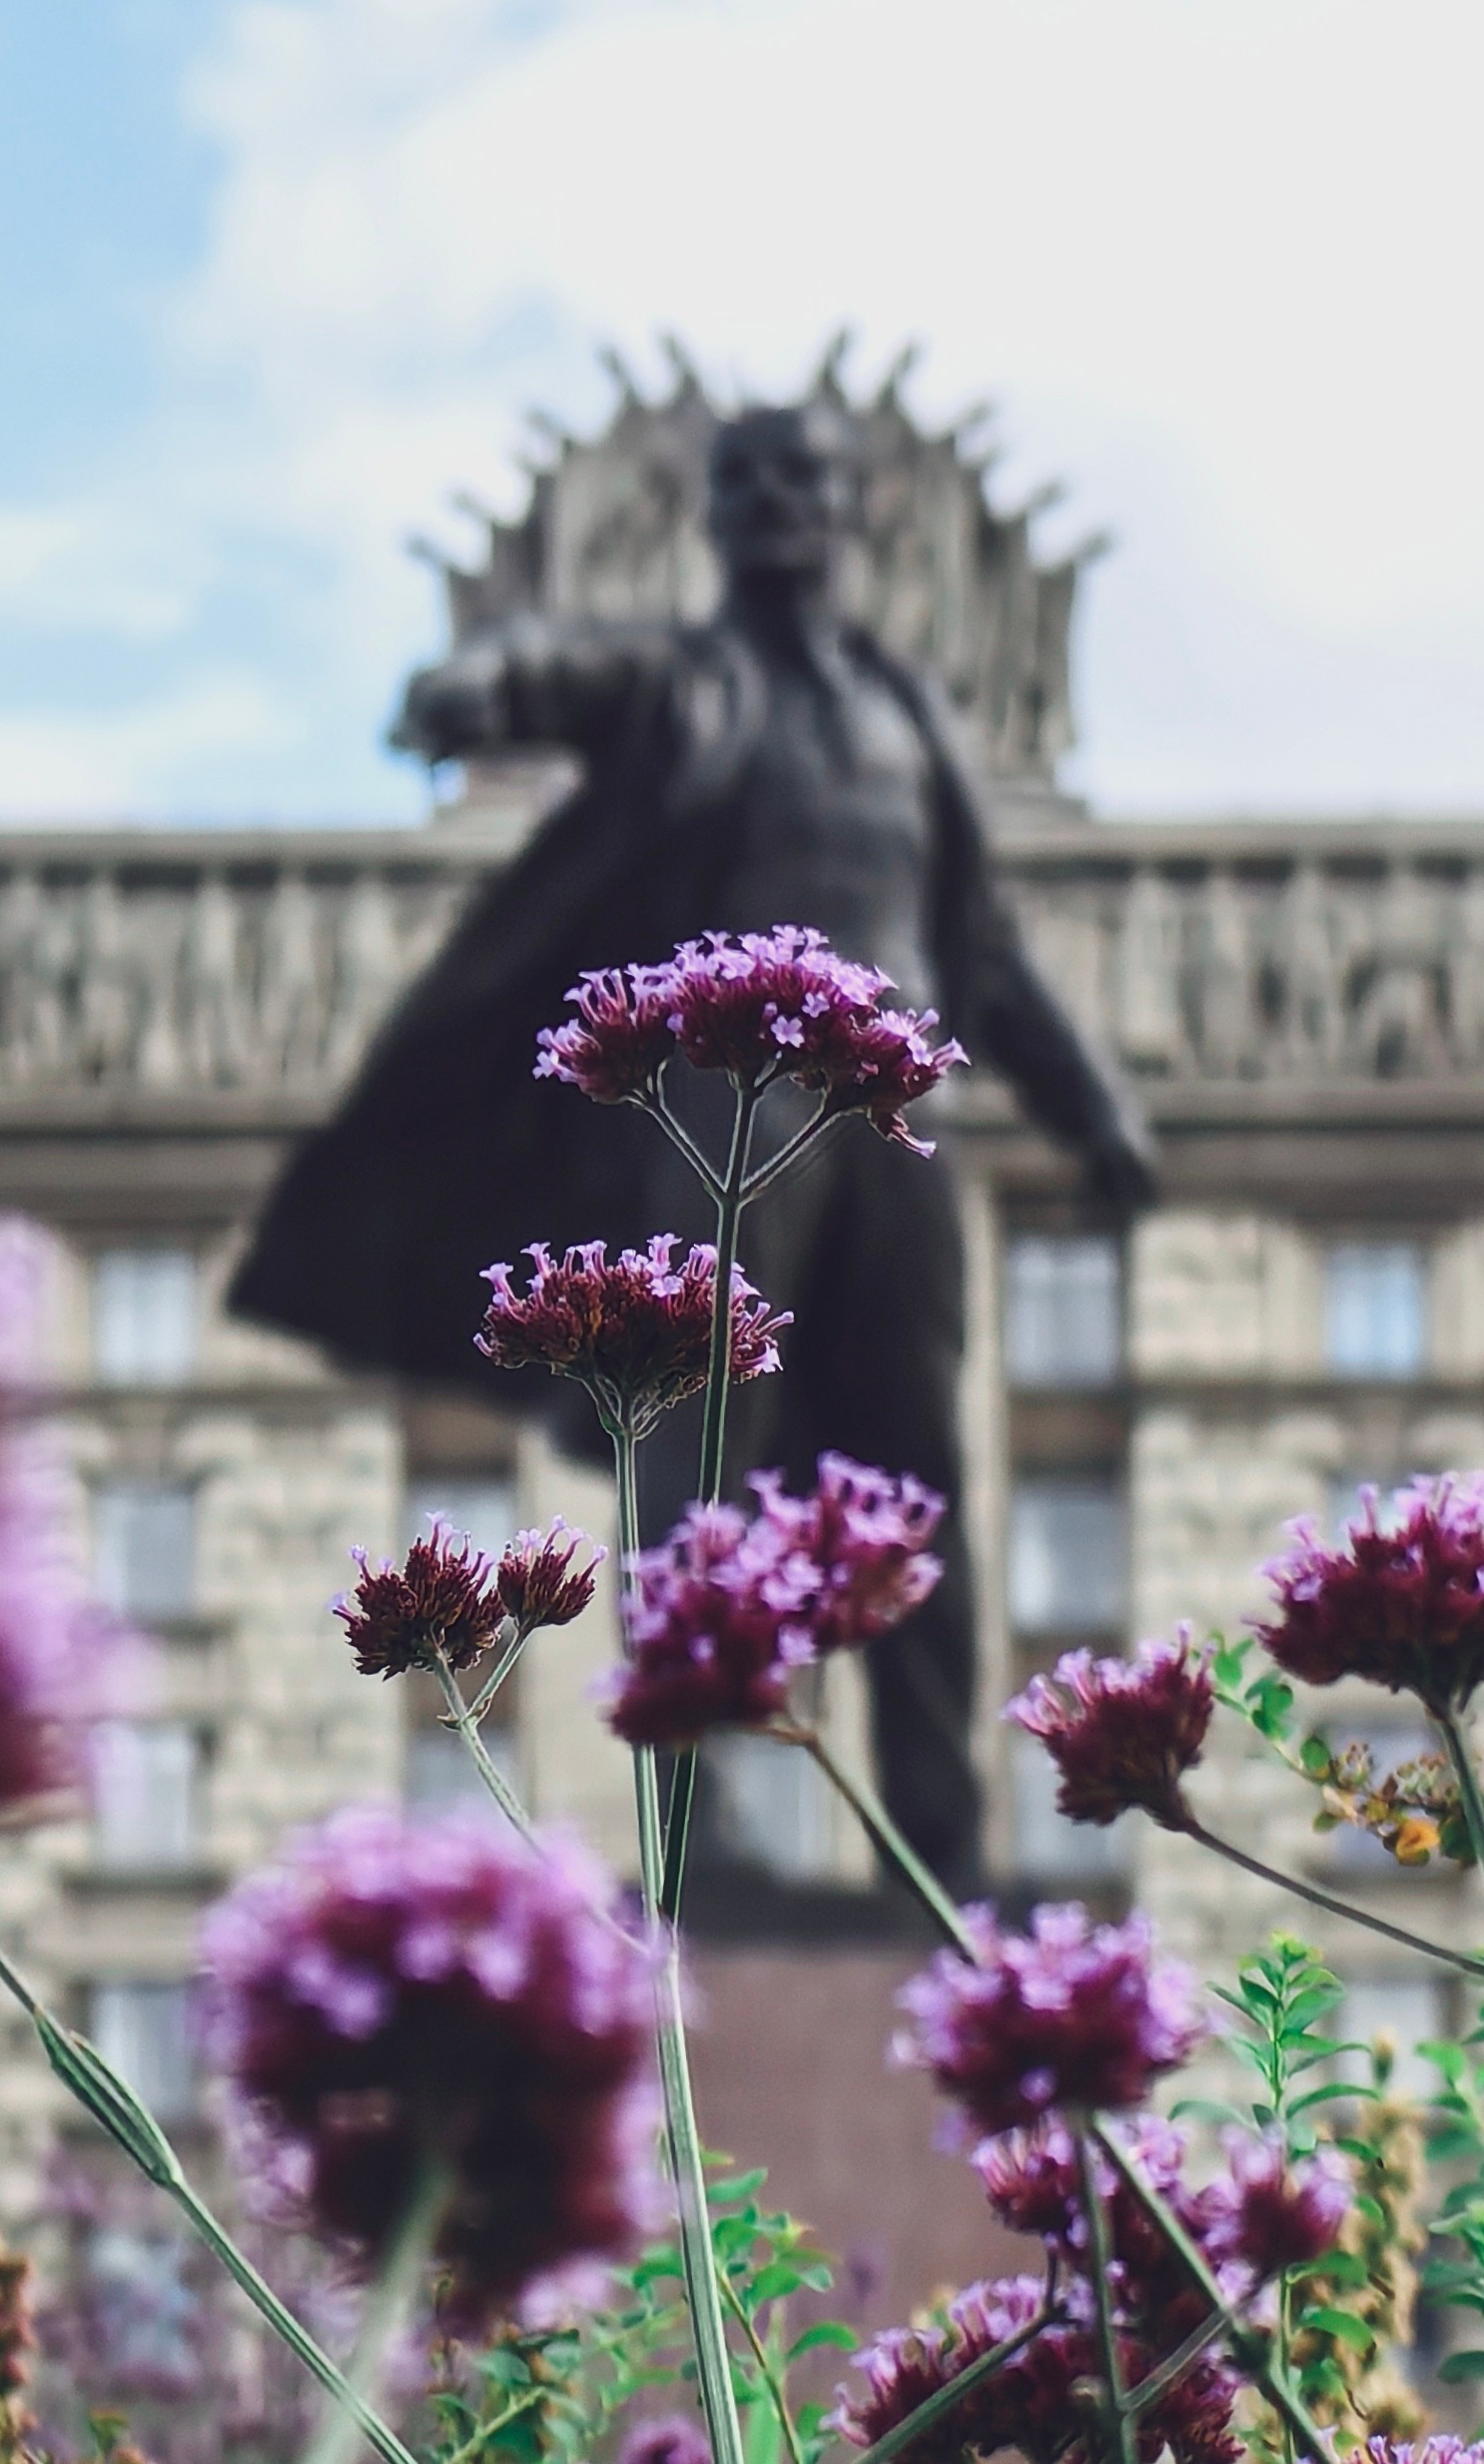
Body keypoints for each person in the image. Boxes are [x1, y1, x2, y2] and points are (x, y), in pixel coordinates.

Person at [233, 398, 1158, 1893]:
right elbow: (555, 669)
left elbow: (980, 948)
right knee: (697, 1462)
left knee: (911, 1480)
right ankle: (692, 1821)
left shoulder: (906, 716)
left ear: (850, 512)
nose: (781, 503)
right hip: (727, 1121)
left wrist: (1091, 1104)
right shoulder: (683, 681)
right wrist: (475, 684)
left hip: (894, 1134)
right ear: (714, 516)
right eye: (751, 482)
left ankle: (939, 1847)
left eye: (807, 480)